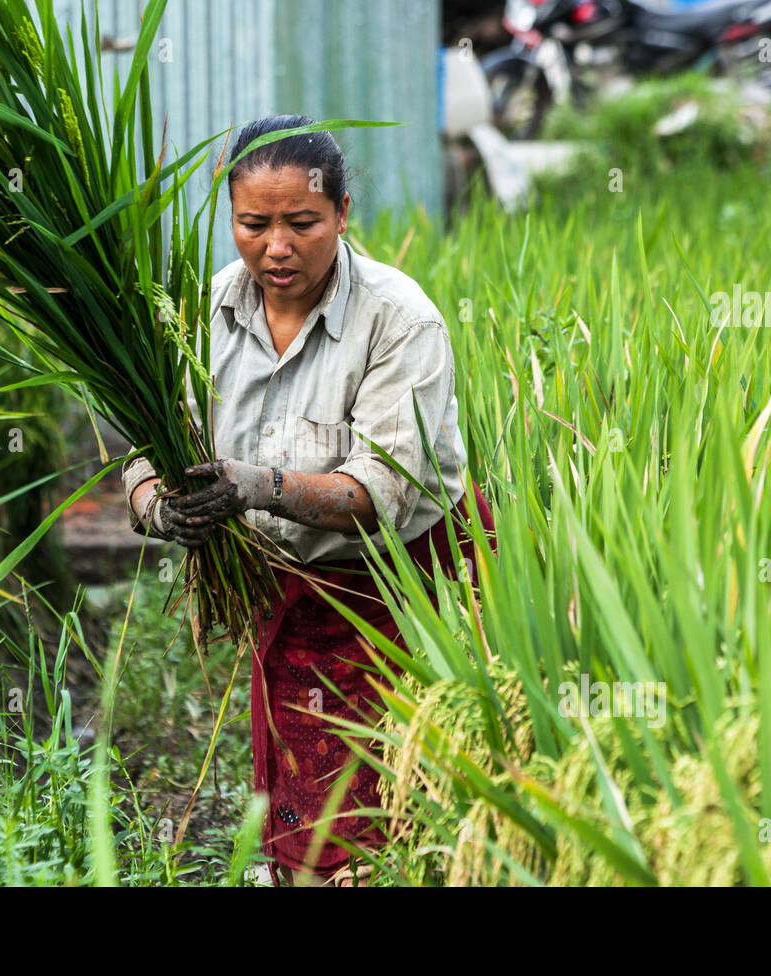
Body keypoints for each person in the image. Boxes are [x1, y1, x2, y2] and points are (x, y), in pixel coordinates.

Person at [122, 115, 497, 886]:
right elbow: (146, 440)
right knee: (307, 820)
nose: (276, 247)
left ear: (343, 213)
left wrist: (260, 485)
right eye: (253, 224)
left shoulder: (399, 320)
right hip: (293, 594)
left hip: (410, 588)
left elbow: (386, 492)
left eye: (302, 223)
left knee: (420, 805)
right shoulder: (202, 310)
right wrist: (160, 505)